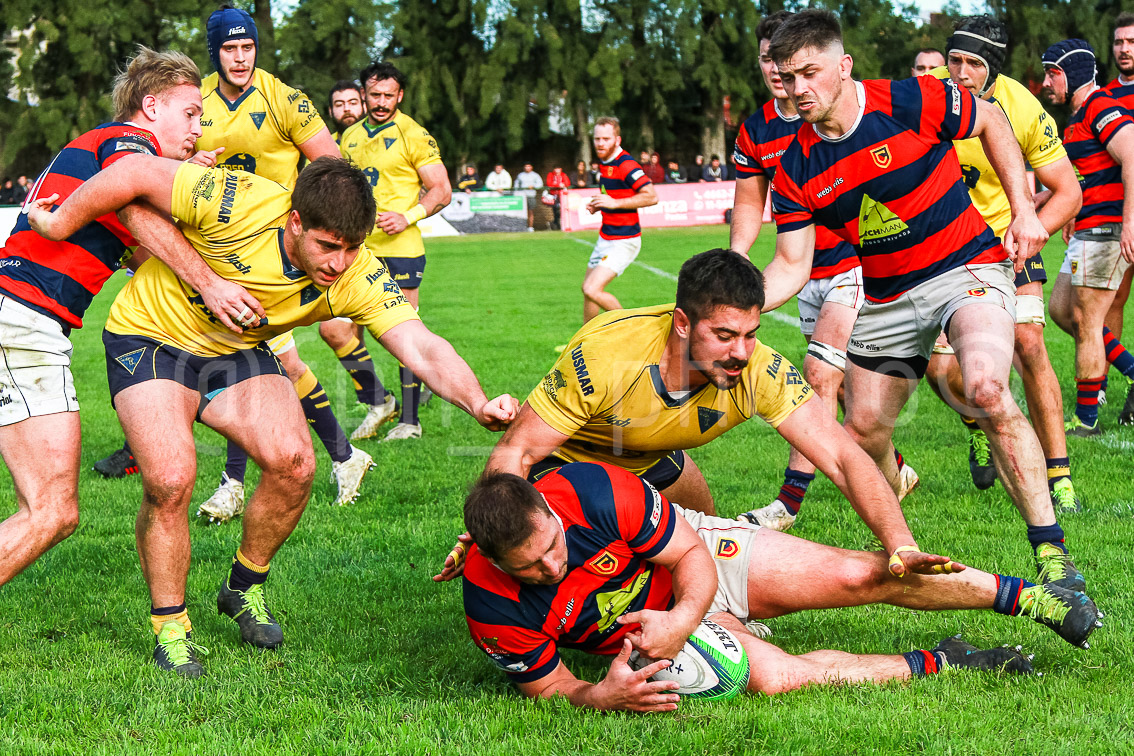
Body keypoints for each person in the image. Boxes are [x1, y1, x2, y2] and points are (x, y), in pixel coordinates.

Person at [26, 154, 518, 677]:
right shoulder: (239, 200)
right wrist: (60, 222)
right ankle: (171, 626)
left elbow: (420, 345)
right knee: (170, 480)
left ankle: (242, 586)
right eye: (328, 247)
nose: (339, 263)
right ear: (296, 221)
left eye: (352, 248)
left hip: (236, 348)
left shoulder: (357, 273)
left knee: (295, 463)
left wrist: (477, 401)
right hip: (151, 337)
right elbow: (129, 175)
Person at [762, 10, 1084, 591]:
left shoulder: (910, 99)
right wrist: (733, 303)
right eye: (786, 77)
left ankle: (1053, 555)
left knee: (986, 385)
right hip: (885, 298)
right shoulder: (795, 169)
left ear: (843, 65)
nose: (797, 89)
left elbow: (990, 121)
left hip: (967, 267)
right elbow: (790, 264)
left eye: (809, 73)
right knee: (862, 430)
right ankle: (901, 498)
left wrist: (1025, 210)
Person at [454, 462, 1100, 712]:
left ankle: (1035, 598)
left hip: (696, 566)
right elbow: (551, 686)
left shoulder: (591, 492)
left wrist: (680, 617)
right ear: (490, 561)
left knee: (863, 572)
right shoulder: (490, 604)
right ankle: (948, 658)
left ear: (550, 510)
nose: (552, 568)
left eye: (553, 548)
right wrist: (602, 694)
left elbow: (689, 556)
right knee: (780, 678)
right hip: (657, 634)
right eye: (531, 568)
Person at [0, 47, 263, 591]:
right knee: (51, 511)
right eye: (189, 113)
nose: (198, 126)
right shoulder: (128, 145)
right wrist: (211, 283)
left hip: (22, 321)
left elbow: (142, 250)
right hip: (22, 325)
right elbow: (131, 204)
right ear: (149, 107)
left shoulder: (103, 149)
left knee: (50, 510)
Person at [166, 7, 371, 520]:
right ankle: (344, 456)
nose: (241, 57)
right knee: (269, 360)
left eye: (248, 47)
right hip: (214, 246)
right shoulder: (195, 101)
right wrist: (185, 164)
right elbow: (164, 160)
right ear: (215, 51)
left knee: (243, 355)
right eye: (230, 49)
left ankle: (233, 483)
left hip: (274, 252)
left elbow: (332, 168)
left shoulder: (285, 99)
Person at [730, 11, 915, 532]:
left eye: (784, 62)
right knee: (854, 397)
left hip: (857, 264)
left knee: (818, 375)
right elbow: (749, 205)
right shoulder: (755, 130)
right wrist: (738, 262)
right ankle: (895, 471)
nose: (776, 71)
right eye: (768, 60)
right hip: (802, 271)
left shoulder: (840, 109)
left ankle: (787, 505)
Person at [921, 17, 1084, 515]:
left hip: (1006, 245)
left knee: (1031, 345)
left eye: (974, 63)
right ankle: (974, 425)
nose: (961, 72)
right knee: (939, 369)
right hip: (945, 252)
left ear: (994, 66)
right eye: (955, 60)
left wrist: (1033, 230)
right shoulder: (928, 98)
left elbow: (1069, 190)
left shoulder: (1023, 108)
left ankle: (1060, 477)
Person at [330, 60, 454, 442]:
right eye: (374, 95)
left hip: (401, 249)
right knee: (336, 330)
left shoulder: (414, 133)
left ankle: (410, 422)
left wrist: (408, 215)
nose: (381, 102)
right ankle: (378, 400)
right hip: (357, 249)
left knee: (404, 334)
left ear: (400, 95)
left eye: (389, 95)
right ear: (364, 94)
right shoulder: (349, 136)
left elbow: (441, 190)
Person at [1040, 40, 1134, 438]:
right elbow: (1082, 178)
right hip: (1087, 228)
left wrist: (1130, 223)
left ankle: (1085, 421)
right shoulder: (1075, 118)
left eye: (1052, 73)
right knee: (1063, 312)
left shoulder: (1101, 106)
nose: (1046, 82)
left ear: (1072, 73)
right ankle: (1130, 369)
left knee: (1089, 321)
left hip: (1108, 229)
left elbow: (1132, 154)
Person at [581, 117, 657, 322]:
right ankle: (586, 343)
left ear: (617, 139)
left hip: (624, 240)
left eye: (606, 138)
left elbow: (651, 196)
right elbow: (613, 196)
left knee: (592, 289)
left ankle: (630, 330)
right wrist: (599, 205)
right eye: (597, 138)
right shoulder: (605, 163)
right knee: (587, 290)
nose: (600, 143)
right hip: (606, 237)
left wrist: (614, 203)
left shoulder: (626, 164)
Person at [514, 162, 543, 230]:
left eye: (528, 166)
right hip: (522, 196)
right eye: (526, 166)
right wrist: (517, 192)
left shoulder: (535, 175)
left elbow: (540, 184)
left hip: (531, 195)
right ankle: (522, 227)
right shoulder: (520, 175)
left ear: (531, 167)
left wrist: (533, 186)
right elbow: (516, 184)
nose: (527, 168)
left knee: (530, 211)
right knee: (521, 212)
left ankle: (530, 227)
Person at [545, 165, 570, 230]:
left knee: (563, 210)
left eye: (558, 168)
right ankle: (556, 224)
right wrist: (558, 185)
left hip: (562, 196)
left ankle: (562, 224)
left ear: (561, 169)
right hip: (554, 195)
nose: (557, 170)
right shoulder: (550, 175)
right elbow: (549, 183)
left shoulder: (563, 175)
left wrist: (562, 184)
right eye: (555, 168)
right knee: (555, 210)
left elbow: (567, 183)